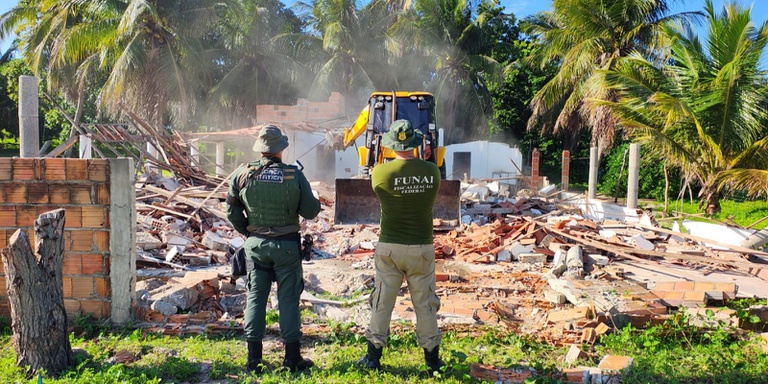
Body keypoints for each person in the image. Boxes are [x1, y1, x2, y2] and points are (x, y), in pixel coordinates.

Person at [226, 125, 321, 373]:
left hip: (255, 246)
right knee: (288, 299)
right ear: (281, 149)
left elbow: (232, 211)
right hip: (287, 247)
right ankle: (291, 359)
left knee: (256, 297)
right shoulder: (294, 175)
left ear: (260, 149)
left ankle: (254, 359)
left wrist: (248, 232)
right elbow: (310, 211)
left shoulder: (242, 174)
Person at [358, 119, 444, 374]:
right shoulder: (433, 172)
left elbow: (379, 186)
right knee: (425, 305)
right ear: (416, 143)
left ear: (390, 144)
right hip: (422, 248)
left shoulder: (380, 173)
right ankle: (432, 362)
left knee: (382, 302)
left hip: (390, 248)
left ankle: (373, 358)